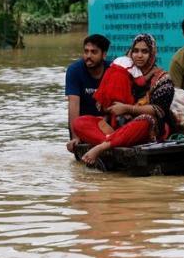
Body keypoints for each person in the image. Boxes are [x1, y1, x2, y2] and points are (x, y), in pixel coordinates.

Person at [73, 33, 175, 166]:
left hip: (146, 129)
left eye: (144, 51)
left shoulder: (163, 78)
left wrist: (128, 108)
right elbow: (102, 105)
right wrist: (108, 106)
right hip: (117, 128)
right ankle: (114, 140)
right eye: (136, 51)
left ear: (152, 54)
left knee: (146, 120)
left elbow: (158, 110)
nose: (139, 55)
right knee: (79, 122)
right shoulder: (122, 71)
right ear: (130, 52)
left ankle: (102, 147)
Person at [65, 34, 111, 153]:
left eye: (94, 52)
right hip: (82, 125)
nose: (88, 56)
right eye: (86, 51)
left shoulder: (112, 70)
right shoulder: (74, 70)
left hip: (106, 122)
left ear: (104, 54)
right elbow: (73, 104)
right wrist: (75, 137)